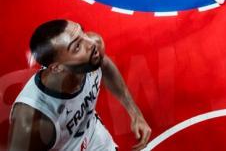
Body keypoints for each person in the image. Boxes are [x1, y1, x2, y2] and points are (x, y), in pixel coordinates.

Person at [8, 20, 151, 151]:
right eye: (77, 46)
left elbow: (105, 65)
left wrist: (135, 113)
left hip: (95, 138)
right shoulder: (34, 120)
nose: (91, 43)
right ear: (56, 67)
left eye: (82, 32)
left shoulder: (87, 59)